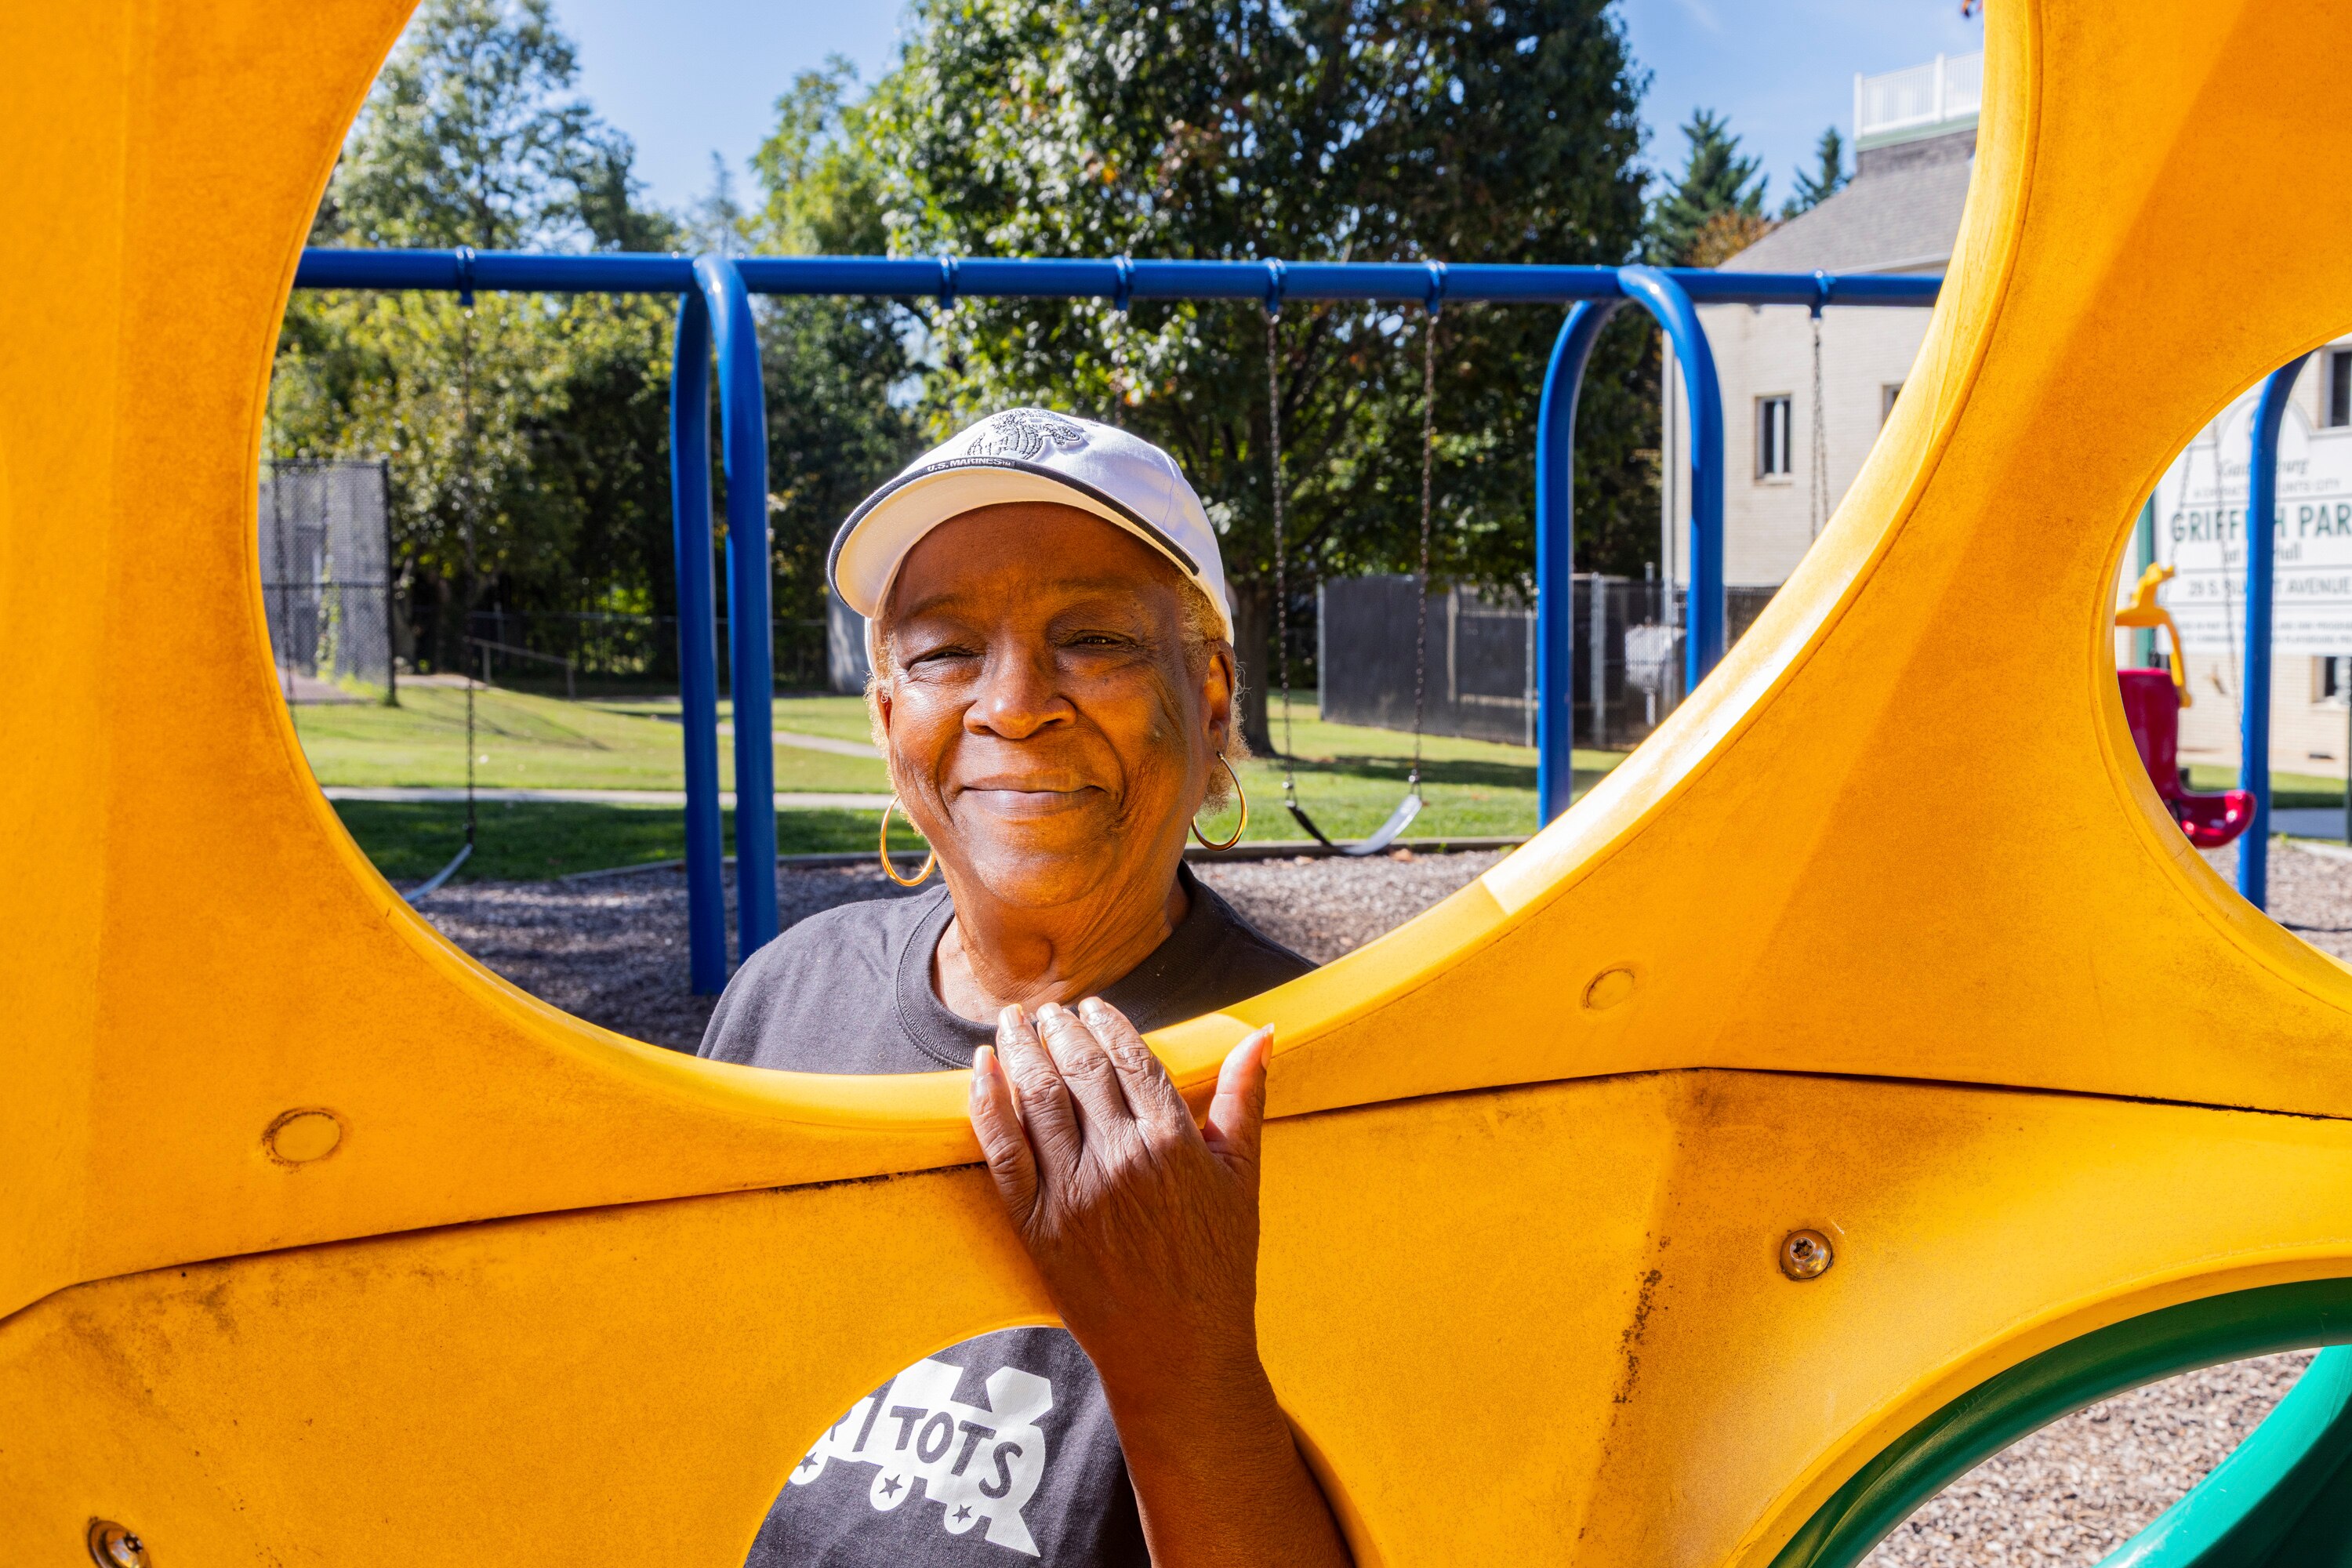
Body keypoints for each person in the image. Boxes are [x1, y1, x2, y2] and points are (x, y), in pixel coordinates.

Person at [700, 408, 1355, 1568]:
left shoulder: (1335, 1077)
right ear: (886, 712)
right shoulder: (784, 1001)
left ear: (1209, 695)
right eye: (945, 651)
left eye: (1094, 639)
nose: (1012, 703)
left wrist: (1179, 1361)